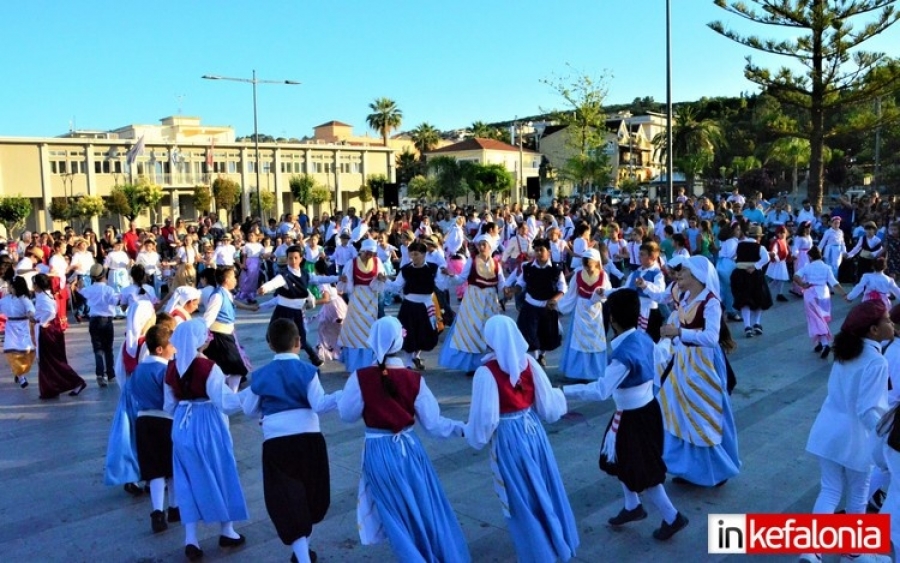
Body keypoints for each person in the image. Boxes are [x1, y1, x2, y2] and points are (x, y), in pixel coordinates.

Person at [337, 317, 470, 562]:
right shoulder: (414, 379)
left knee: (394, 515)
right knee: (422, 508)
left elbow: (347, 415)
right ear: (400, 341)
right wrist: (462, 428)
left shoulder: (361, 377)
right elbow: (434, 424)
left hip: (377, 452)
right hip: (409, 450)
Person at [564, 288, 688, 540]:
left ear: (611, 319)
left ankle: (672, 516)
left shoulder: (623, 354)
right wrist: (667, 340)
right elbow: (661, 354)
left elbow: (601, 390)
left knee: (644, 470)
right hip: (644, 411)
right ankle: (632, 506)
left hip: (634, 418)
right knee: (622, 460)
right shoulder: (642, 338)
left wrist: (562, 391)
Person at [465, 315, 579, 562]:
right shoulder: (529, 362)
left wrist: (473, 435)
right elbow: (548, 406)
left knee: (520, 498)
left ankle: (538, 552)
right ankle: (556, 541)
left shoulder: (486, 372)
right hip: (533, 431)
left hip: (508, 437)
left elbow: (486, 419)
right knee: (543, 485)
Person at [241, 319, 342, 563]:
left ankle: (302, 554)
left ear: (269, 344)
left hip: (277, 442)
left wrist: (266, 413)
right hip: (309, 439)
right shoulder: (307, 371)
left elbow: (249, 409)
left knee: (287, 499)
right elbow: (319, 404)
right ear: (298, 342)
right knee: (310, 495)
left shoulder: (261, 375)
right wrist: (341, 395)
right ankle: (303, 553)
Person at [801, 301, 892, 563]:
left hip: (828, 428)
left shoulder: (848, 352)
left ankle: (812, 549)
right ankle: (853, 551)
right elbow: (867, 409)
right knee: (859, 493)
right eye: (886, 320)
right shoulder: (876, 360)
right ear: (874, 330)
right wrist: (885, 435)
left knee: (829, 490)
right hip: (855, 436)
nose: (891, 324)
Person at [164, 319, 248, 561]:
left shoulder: (171, 368)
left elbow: (168, 404)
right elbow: (225, 402)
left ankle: (191, 539)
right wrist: (250, 397)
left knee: (186, 480)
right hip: (208, 423)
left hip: (182, 424)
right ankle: (227, 530)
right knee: (221, 472)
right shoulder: (209, 367)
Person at [657, 256, 741, 487]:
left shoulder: (711, 302)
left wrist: (679, 333)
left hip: (702, 365)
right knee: (679, 412)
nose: (677, 277)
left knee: (704, 415)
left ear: (696, 276)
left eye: (682, 274)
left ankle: (716, 470)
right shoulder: (685, 297)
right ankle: (688, 469)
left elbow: (711, 338)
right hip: (683, 362)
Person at [130, 324, 180, 533]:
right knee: (172, 469)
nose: (175, 349)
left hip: (143, 421)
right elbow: (171, 399)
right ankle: (175, 508)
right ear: (160, 349)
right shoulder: (166, 370)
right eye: (171, 346)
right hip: (165, 420)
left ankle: (157, 512)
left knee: (154, 470)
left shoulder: (138, 369)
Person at [105, 300, 157, 495]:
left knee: (130, 438)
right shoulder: (146, 344)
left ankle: (132, 477)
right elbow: (147, 372)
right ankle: (151, 478)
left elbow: (119, 370)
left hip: (128, 395)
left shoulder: (128, 342)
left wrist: (125, 389)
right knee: (147, 438)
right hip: (143, 398)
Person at [257, 245, 338, 367]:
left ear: (301, 258)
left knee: (300, 338)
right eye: (290, 258)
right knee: (275, 337)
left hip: (297, 312)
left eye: (295, 258)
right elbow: (273, 283)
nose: (293, 261)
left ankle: (313, 358)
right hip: (283, 311)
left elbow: (319, 279)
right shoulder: (284, 276)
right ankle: (284, 360)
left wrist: (337, 278)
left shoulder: (305, 274)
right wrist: (264, 288)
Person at [438, 234, 504, 376]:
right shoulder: (472, 261)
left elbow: (501, 283)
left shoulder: (496, 263)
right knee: (472, 329)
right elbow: (461, 279)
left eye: (483, 245)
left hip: (490, 300)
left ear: (490, 247)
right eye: (479, 245)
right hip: (474, 297)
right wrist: (451, 274)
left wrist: (506, 292)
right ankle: (474, 365)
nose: (481, 248)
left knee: (489, 329)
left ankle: (490, 363)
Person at [505, 237, 567, 366]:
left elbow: (562, 288)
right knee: (529, 334)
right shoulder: (527, 268)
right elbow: (521, 283)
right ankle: (534, 359)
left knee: (545, 334)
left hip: (547, 308)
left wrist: (554, 300)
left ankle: (541, 356)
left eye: (541, 250)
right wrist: (513, 290)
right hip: (530, 305)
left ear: (548, 251)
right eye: (536, 250)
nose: (538, 253)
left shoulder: (556, 269)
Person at [385, 241, 444, 370]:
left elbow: (442, 285)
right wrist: (385, 281)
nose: (413, 257)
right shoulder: (406, 269)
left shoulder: (433, 268)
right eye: (411, 254)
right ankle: (408, 361)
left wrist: (448, 277)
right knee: (407, 332)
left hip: (426, 305)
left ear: (424, 254)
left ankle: (416, 356)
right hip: (409, 306)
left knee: (425, 332)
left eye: (416, 254)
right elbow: (396, 286)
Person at [556, 248, 610, 382]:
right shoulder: (578, 274)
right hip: (580, 310)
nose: (588, 268)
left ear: (597, 263)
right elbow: (571, 293)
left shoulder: (603, 275)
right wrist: (560, 305)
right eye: (586, 265)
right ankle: (576, 372)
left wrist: (601, 294)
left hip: (595, 311)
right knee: (578, 339)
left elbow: (608, 293)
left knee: (594, 340)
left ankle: (595, 372)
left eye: (590, 265)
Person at [202, 266, 259, 391]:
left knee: (226, 368)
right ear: (226, 280)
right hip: (219, 337)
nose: (235, 280)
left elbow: (234, 302)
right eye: (233, 277)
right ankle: (230, 394)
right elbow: (208, 318)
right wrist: (203, 336)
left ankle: (226, 392)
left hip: (226, 335)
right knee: (236, 367)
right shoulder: (217, 296)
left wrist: (250, 308)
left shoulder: (226, 293)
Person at [336, 239, 387, 372]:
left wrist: (380, 279)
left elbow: (380, 283)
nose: (369, 255)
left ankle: (369, 364)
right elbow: (345, 284)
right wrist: (344, 281)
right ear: (362, 251)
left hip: (371, 300)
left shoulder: (377, 262)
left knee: (368, 330)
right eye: (367, 252)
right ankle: (353, 366)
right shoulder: (351, 263)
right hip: (357, 298)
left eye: (372, 253)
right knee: (354, 330)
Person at [33, 273, 86, 399]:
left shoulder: (43, 297)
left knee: (53, 361)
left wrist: (43, 322)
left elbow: (51, 312)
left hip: (48, 332)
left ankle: (76, 381)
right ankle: (51, 387)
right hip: (51, 330)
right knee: (50, 361)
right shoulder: (46, 295)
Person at [794, 246, 848, 359]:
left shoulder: (807, 267)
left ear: (810, 256)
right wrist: (844, 293)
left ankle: (824, 344)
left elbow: (796, 276)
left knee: (815, 319)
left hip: (810, 294)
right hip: (824, 293)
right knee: (822, 318)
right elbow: (834, 282)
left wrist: (802, 284)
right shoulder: (827, 267)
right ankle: (819, 343)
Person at [76, 264, 122, 387]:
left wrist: (79, 282)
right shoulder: (109, 290)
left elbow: (80, 290)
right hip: (107, 321)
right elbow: (116, 302)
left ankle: (100, 375)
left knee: (98, 349)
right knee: (108, 348)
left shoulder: (89, 289)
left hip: (94, 320)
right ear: (104, 275)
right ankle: (111, 374)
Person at [613, 241, 666, 341]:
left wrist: (645, 285)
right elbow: (625, 289)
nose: (638, 257)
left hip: (650, 313)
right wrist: (607, 292)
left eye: (642, 254)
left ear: (652, 257)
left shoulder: (657, 274)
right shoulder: (636, 272)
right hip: (636, 311)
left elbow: (660, 293)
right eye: (639, 254)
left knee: (651, 341)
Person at [730, 224, 771, 338]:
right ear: (759, 237)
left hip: (741, 274)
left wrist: (741, 263)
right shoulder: (760, 247)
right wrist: (756, 266)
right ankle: (756, 323)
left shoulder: (739, 245)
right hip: (755, 275)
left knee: (744, 300)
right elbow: (766, 258)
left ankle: (747, 326)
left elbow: (732, 256)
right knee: (759, 298)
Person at [0, 276, 35, 388]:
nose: (8, 287)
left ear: (14, 287)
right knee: (12, 353)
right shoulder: (5, 299)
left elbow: (31, 309)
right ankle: (21, 377)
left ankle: (19, 371)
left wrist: (30, 314)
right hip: (11, 327)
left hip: (23, 326)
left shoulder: (24, 299)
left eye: (10, 285)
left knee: (26, 353)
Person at [236, 232, 264, 304]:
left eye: (252, 235)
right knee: (248, 279)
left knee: (254, 280)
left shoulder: (259, 245)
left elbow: (262, 255)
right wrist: (244, 264)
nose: (250, 237)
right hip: (249, 261)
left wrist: (265, 257)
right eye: (249, 235)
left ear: (256, 237)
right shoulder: (247, 245)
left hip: (256, 261)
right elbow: (245, 256)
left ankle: (251, 296)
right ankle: (247, 295)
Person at [766, 226, 791, 302]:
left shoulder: (783, 241)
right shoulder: (777, 242)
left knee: (781, 279)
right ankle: (766, 292)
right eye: (780, 233)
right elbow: (773, 252)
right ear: (777, 233)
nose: (782, 234)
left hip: (782, 263)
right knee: (778, 280)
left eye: (783, 233)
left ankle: (779, 294)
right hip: (778, 263)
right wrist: (778, 259)